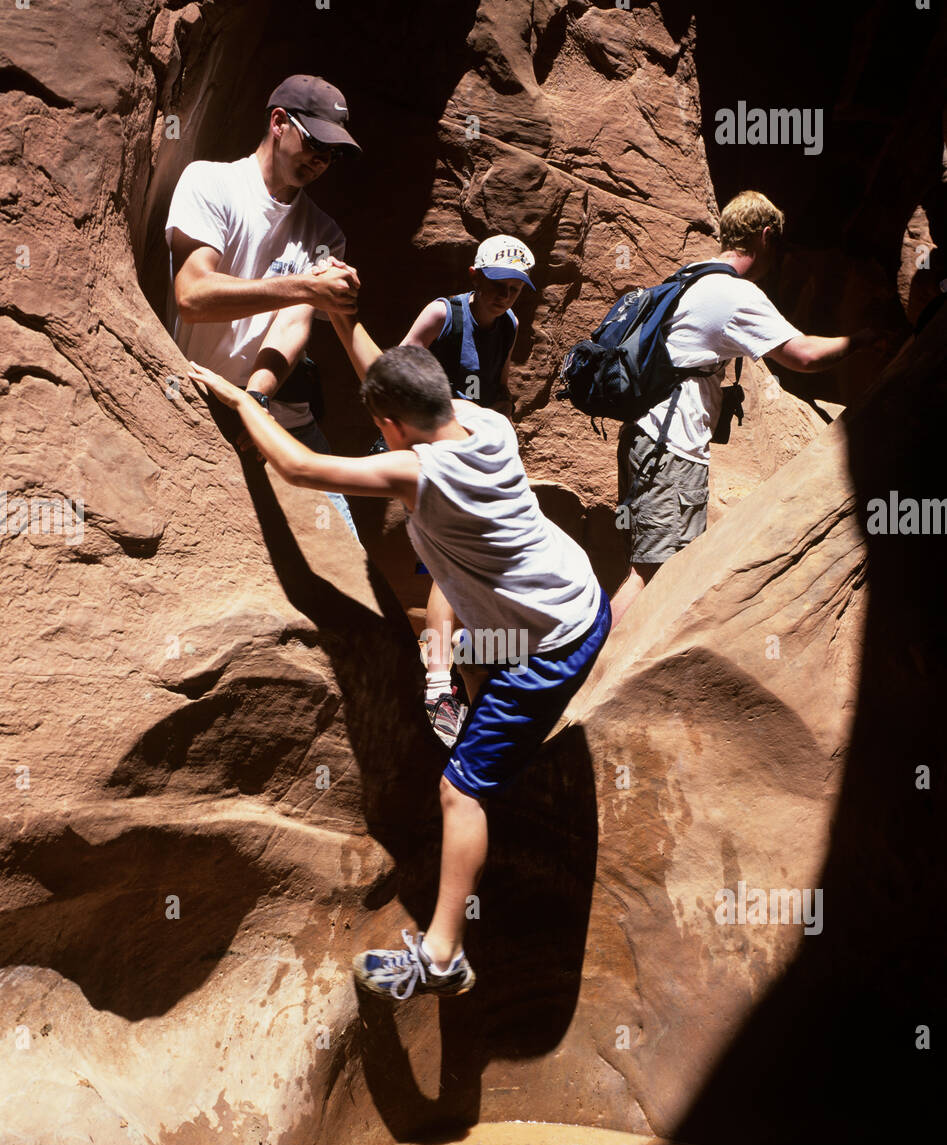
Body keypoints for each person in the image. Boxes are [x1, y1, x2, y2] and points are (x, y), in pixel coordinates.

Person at [187, 322, 610, 1002]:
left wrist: (245, 405)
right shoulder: (483, 424)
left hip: (548, 644)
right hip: (573, 594)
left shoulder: (419, 473)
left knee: (460, 790)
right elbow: (396, 374)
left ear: (390, 424)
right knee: (456, 646)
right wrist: (339, 319)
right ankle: (484, 734)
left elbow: (296, 467)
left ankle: (442, 955)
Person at [610, 190, 880, 626]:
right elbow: (804, 355)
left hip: (646, 437)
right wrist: (862, 340)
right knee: (653, 577)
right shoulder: (734, 294)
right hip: (671, 446)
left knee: (649, 570)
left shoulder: (691, 276)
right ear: (766, 236)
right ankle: (584, 682)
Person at [165, 74, 362, 534]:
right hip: (198, 403)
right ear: (279, 122)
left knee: (346, 551)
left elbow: (293, 326)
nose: (322, 160)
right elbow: (193, 296)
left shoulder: (325, 233)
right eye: (316, 143)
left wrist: (255, 399)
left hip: (278, 416)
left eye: (333, 154)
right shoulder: (210, 183)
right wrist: (306, 287)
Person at [379, 236, 537, 745]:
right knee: (453, 564)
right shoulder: (442, 315)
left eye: (514, 289)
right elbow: (394, 370)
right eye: (497, 285)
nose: (505, 296)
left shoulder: (508, 326)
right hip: (428, 448)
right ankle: (438, 683)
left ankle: (460, 680)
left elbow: (498, 389)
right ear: (475, 277)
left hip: (470, 453)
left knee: (471, 564)